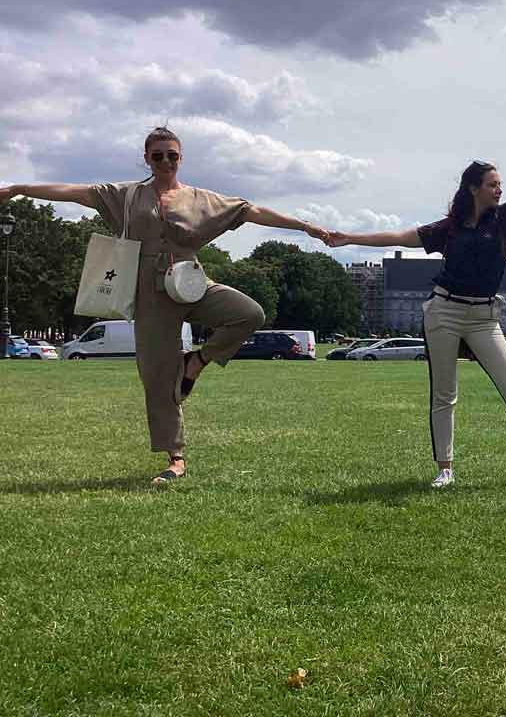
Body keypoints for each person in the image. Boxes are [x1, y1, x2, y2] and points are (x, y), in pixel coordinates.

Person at [0, 126, 330, 484]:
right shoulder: (124, 196)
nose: (165, 161)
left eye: (172, 155)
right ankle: (176, 458)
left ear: (180, 158)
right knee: (157, 378)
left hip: (192, 282)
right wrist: (18, 189)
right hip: (149, 293)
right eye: (157, 156)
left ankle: (195, 362)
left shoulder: (201, 199)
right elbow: (73, 193)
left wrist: (305, 226)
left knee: (249, 313)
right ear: (146, 158)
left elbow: (253, 212)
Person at [325, 132, 506, 490]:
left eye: (501, 184)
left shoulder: (505, 219)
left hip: (485, 317)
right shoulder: (448, 229)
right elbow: (397, 237)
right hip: (443, 312)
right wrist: (348, 237)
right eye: (493, 184)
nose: (500, 190)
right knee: (444, 393)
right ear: (474, 188)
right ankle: (445, 469)